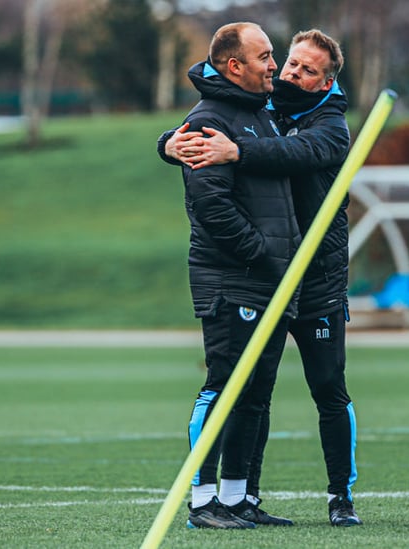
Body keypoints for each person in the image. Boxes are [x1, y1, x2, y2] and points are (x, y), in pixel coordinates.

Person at [159, 29, 362, 527]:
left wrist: (237, 154)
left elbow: (296, 155)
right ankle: (232, 495)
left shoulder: (331, 125)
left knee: (327, 388)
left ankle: (341, 497)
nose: (289, 72)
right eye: (287, 62)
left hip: (315, 281)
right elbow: (204, 128)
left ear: (325, 81)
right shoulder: (262, 110)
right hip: (263, 272)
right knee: (242, 386)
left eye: (305, 69)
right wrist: (168, 143)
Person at [168, 22, 302, 530]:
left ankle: (237, 497)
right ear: (234, 66)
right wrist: (265, 256)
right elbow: (212, 208)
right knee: (224, 386)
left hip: (271, 280)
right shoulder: (207, 121)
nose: (276, 64)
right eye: (265, 56)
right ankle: (202, 503)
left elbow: (323, 98)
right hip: (233, 280)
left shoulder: (261, 112)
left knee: (257, 392)